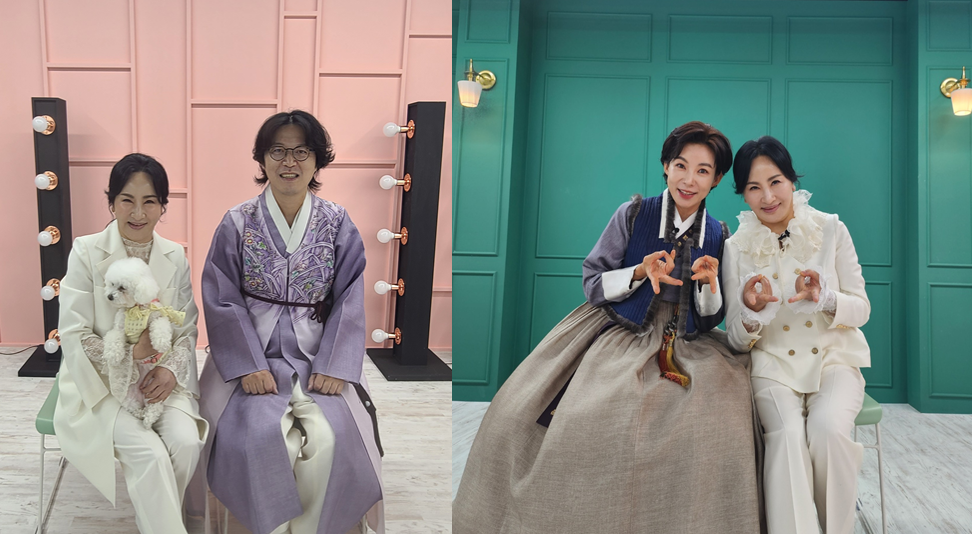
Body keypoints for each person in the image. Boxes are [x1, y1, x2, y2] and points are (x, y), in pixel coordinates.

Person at [454, 121, 763, 533]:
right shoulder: (633, 214)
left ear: (717, 179)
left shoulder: (720, 235)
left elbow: (710, 319)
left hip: (688, 342)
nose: (689, 180)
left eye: (703, 171)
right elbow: (593, 280)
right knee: (562, 417)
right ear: (665, 166)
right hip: (618, 330)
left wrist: (708, 287)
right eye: (680, 166)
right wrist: (638, 272)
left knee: (720, 418)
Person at [197, 109, 383, 534]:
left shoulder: (337, 222)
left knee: (330, 439)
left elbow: (350, 297)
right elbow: (221, 296)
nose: (289, 162)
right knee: (264, 437)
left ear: (317, 161)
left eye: (301, 152)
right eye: (278, 151)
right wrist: (247, 365)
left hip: (317, 355)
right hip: (254, 354)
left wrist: (335, 365)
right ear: (262, 159)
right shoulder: (237, 221)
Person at [722, 136, 870, 534]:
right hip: (772, 366)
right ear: (743, 195)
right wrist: (752, 312)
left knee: (828, 431)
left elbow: (862, 308)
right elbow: (734, 338)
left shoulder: (831, 229)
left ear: (792, 180)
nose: (768, 197)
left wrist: (826, 298)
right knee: (786, 436)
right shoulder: (735, 248)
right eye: (754, 187)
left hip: (834, 360)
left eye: (776, 182)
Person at [54, 153, 207, 534]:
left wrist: (169, 370)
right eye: (127, 200)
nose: (138, 213)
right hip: (101, 382)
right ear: (111, 202)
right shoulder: (86, 250)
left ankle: (155, 521)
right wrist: (127, 355)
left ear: (163, 206)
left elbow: (186, 327)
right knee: (151, 455)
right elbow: (74, 332)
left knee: (186, 443)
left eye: (150, 201)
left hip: (160, 379)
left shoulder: (175, 255)